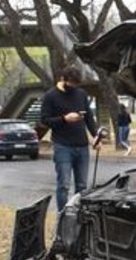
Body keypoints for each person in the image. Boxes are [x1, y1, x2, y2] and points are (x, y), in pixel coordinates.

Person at [38, 66, 101, 211]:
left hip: (82, 146)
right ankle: (62, 216)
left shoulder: (81, 94)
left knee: (82, 185)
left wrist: (96, 136)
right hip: (62, 146)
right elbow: (45, 120)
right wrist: (64, 119)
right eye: (72, 83)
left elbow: (89, 118)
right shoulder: (50, 96)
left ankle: (79, 215)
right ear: (63, 80)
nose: (74, 86)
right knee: (64, 184)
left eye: (77, 84)